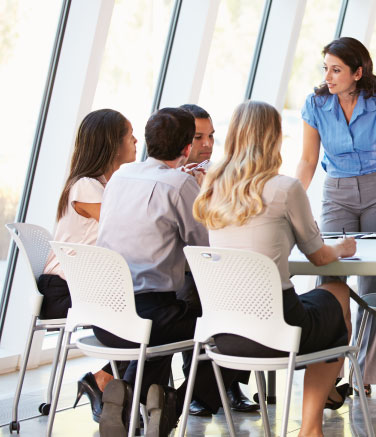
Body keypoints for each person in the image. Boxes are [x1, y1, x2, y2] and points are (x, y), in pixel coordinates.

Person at [194, 100, 357, 437]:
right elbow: (319, 256)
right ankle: (311, 426)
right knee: (337, 293)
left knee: (317, 308)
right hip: (278, 331)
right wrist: (343, 247)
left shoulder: (211, 187)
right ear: (274, 138)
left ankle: (322, 398)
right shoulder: (285, 188)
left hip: (224, 335)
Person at [96, 107, 238, 436]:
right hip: (149, 318)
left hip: (104, 316)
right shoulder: (177, 183)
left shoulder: (120, 176)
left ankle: (129, 397)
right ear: (187, 147)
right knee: (235, 326)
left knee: (171, 321)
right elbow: (206, 247)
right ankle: (173, 400)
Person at [295, 36, 376, 393]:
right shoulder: (316, 104)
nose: (328, 76)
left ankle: (363, 376)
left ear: (357, 72)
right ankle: (327, 374)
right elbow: (308, 160)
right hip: (338, 192)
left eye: (336, 70)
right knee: (329, 278)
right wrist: (288, 201)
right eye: (326, 69)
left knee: (375, 285)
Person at [37, 108, 135, 422]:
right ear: (112, 144)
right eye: (128, 135)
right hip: (63, 292)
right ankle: (110, 386)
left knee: (153, 316)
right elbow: (124, 230)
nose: (135, 140)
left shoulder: (96, 186)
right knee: (153, 319)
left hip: (77, 288)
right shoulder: (86, 186)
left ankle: (110, 385)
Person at [179, 103, 258, 415]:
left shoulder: (223, 173)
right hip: (183, 269)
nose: (208, 144)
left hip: (221, 264)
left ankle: (231, 382)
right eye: (199, 137)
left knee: (247, 293)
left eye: (211, 136)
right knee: (193, 296)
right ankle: (198, 387)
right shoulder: (170, 177)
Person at [179, 104, 214, 168]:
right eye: (198, 137)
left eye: (210, 135)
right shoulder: (161, 175)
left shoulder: (215, 172)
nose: (208, 144)